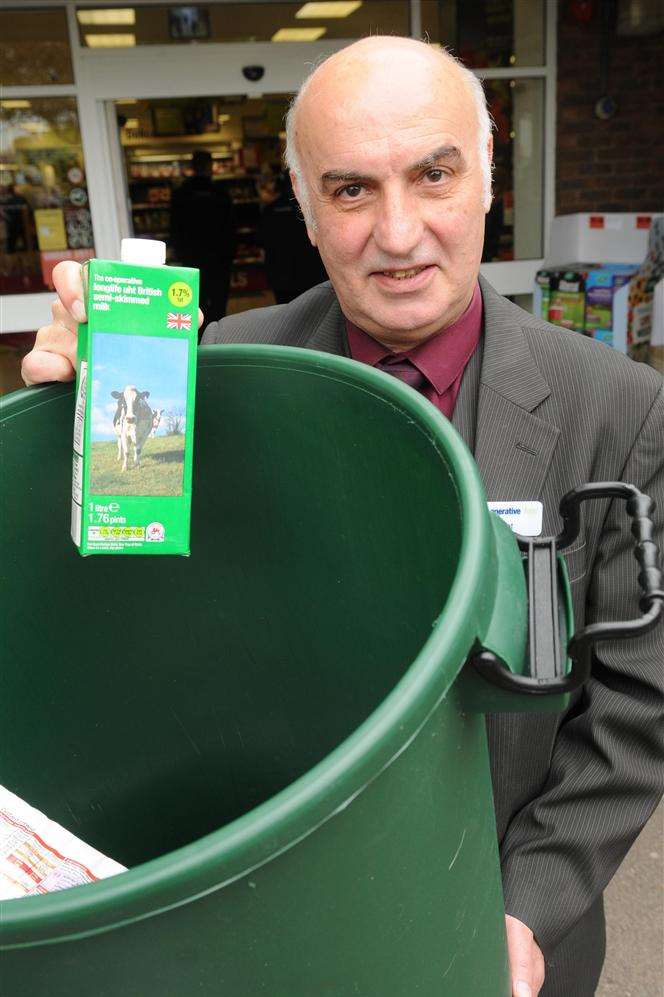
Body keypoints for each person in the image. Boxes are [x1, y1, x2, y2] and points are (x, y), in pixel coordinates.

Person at [21, 36, 664, 997]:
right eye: (352, 190)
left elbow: (636, 706)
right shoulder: (224, 368)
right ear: (309, 214)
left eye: (434, 175)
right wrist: (74, 416)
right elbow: (132, 619)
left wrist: (527, 905)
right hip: (272, 925)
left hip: (504, 942)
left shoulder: (615, 406)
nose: (398, 234)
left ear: (488, 185)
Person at [169, 149, 234, 339]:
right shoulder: (221, 194)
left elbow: (175, 228)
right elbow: (230, 229)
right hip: (218, 260)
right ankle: (216, 340)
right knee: (218, 304)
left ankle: (195, 343)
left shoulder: (181, 194)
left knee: (193, 304)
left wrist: (180, 253)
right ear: (210, 167)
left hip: (191, 260)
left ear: (192, 167)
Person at [257, 166, 327, 303]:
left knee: (286, 312)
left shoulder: (269, 210)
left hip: (280, 274)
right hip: (310, 273)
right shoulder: (309, 210)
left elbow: (261, 241)